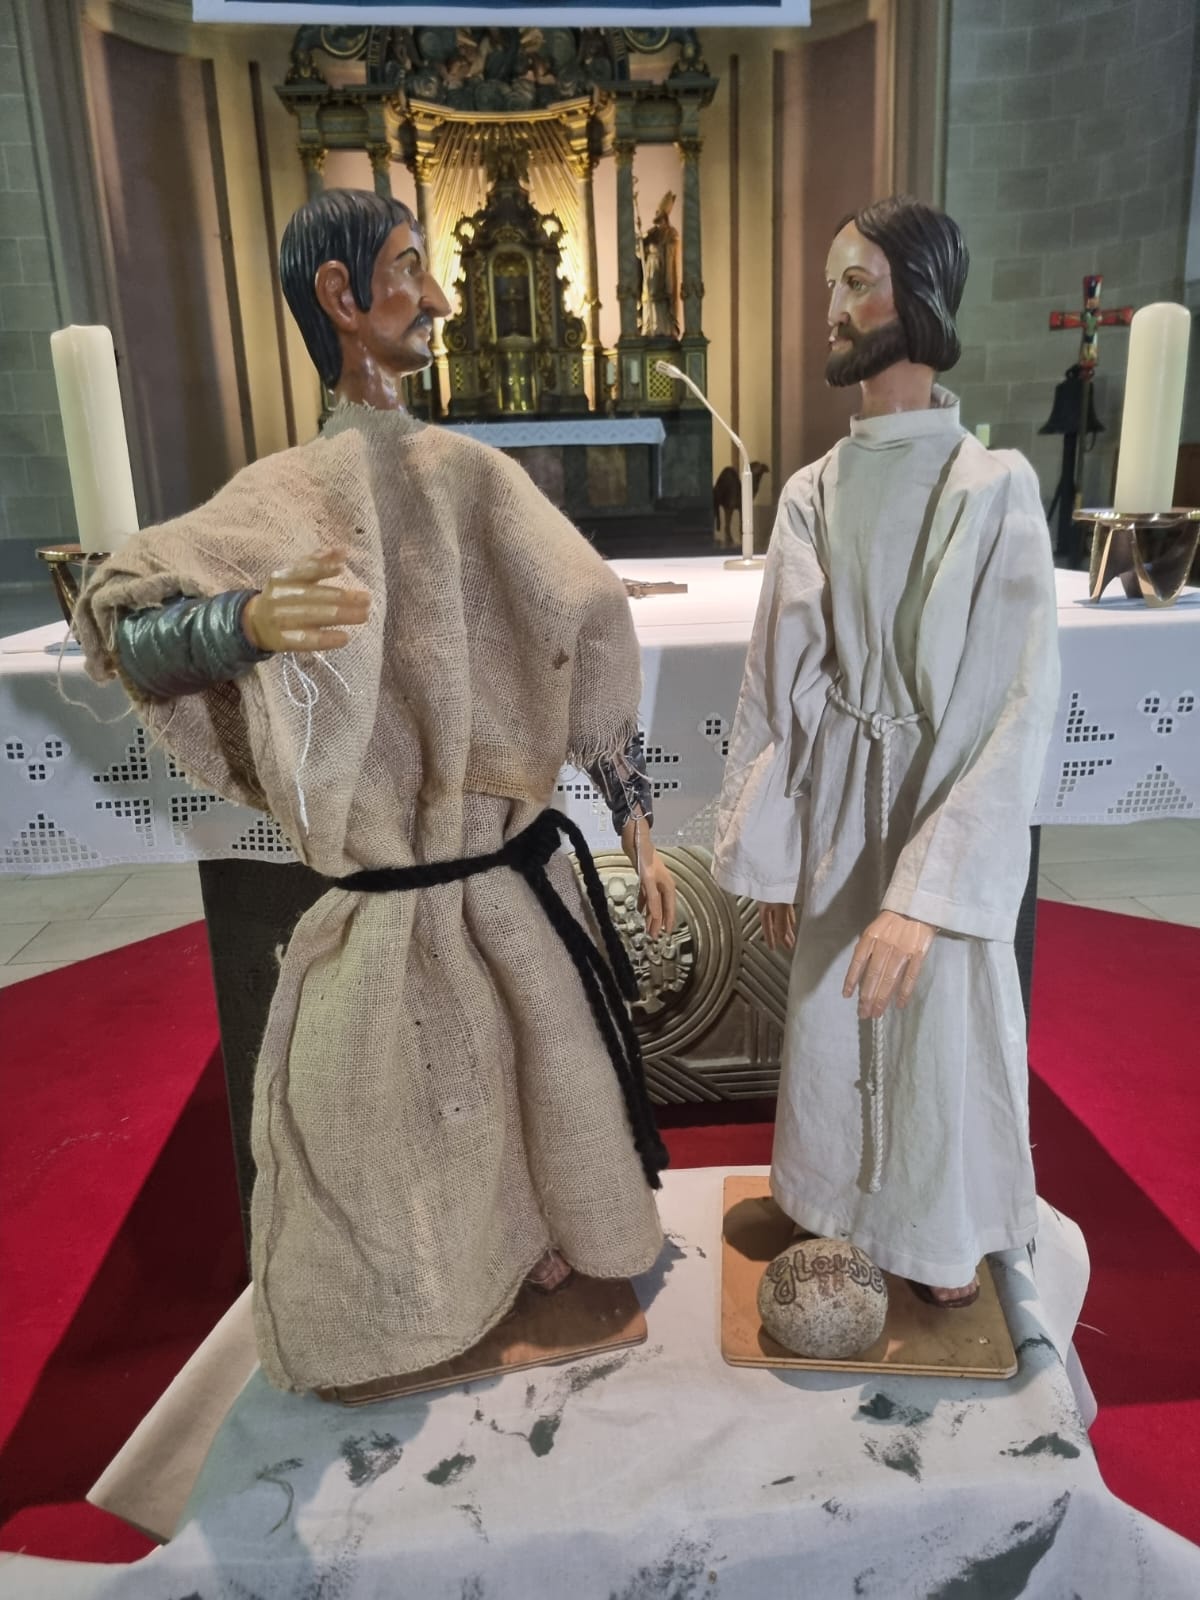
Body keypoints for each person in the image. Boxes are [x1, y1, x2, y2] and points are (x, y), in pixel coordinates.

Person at [74, 188, 674, 1394]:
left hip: (506, 885)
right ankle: (412, 1298)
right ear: (341, 297)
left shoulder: (478, 479)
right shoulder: (280, 498)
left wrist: (637, 823)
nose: (442, 298)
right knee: (403, 1110)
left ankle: (542, 1236)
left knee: (534, 1073)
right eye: (411, 268)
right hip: (392, 900)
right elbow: (127, 628)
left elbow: (586, 623)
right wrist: (243, 621)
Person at [713, 196, 1060, 1308]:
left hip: (935, 797)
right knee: (832, 1008)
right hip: (839, 811)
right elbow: (781, 680)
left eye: (855, 282)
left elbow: (1015, 705)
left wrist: (926, 893)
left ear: (920, 297)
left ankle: (934, 1229)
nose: (832, 307)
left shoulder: (993, 490)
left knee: (935, 1015)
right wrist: (780, 852)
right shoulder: (812, 492)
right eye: (832, 284)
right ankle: (831, 1205)